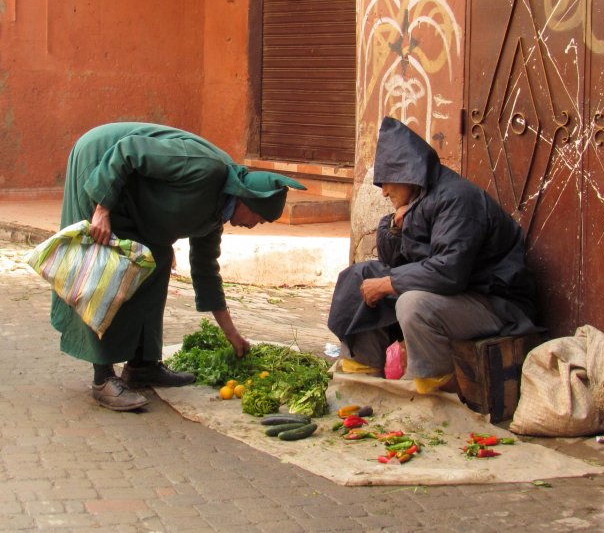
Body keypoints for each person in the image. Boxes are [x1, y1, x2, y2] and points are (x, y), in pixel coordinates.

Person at [52, 122, 306, 411]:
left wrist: (231, 333)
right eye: (258, 218)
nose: (253, 225)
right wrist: (102, 208)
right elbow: (129, 149)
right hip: (102, 165)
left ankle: (142, 365)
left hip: (136, 197)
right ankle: (103, 379)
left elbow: (206, 271)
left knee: (157, 258)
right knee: (101, 271)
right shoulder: (206, 169)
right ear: (246, 199)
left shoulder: (215, 216)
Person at [327, 116, 540, 393]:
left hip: (496, 303)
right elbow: (394, 261)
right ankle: (363, 374)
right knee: (360, 276)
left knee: (412, 304)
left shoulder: (457, 200)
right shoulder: (420, 199)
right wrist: (394, 227)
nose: (385, 192)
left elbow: (449, 272)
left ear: (409, 173)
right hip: (457, 293)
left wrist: (388, 284)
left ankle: (435, 385)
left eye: (388, 182)